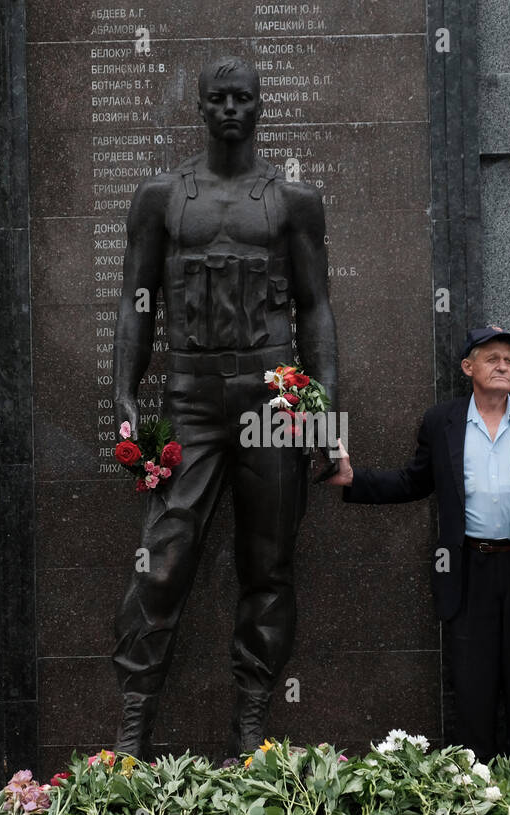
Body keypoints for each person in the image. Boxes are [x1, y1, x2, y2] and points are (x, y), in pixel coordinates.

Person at [110, 55, 339, 758]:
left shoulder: (293, 201)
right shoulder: (161, 196)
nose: (232, 109)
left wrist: (327, 419)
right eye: (220, 99)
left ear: (260, 107)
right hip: (191, 397)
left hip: (272, 396)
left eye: (244, 98)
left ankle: (251, 723)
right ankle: (132, 725)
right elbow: (135, 301)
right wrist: (123, 391)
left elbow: (317, 309)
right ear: (201, 107)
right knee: (165, 558)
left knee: (267, 564)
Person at [327, 326, 510, 784]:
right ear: (468, 368)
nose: (504, 367)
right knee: (473, 695)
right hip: (468, 573)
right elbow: (413, 481)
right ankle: (475, 800)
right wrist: (354, 480)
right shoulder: (442, 421)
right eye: (493, 359)